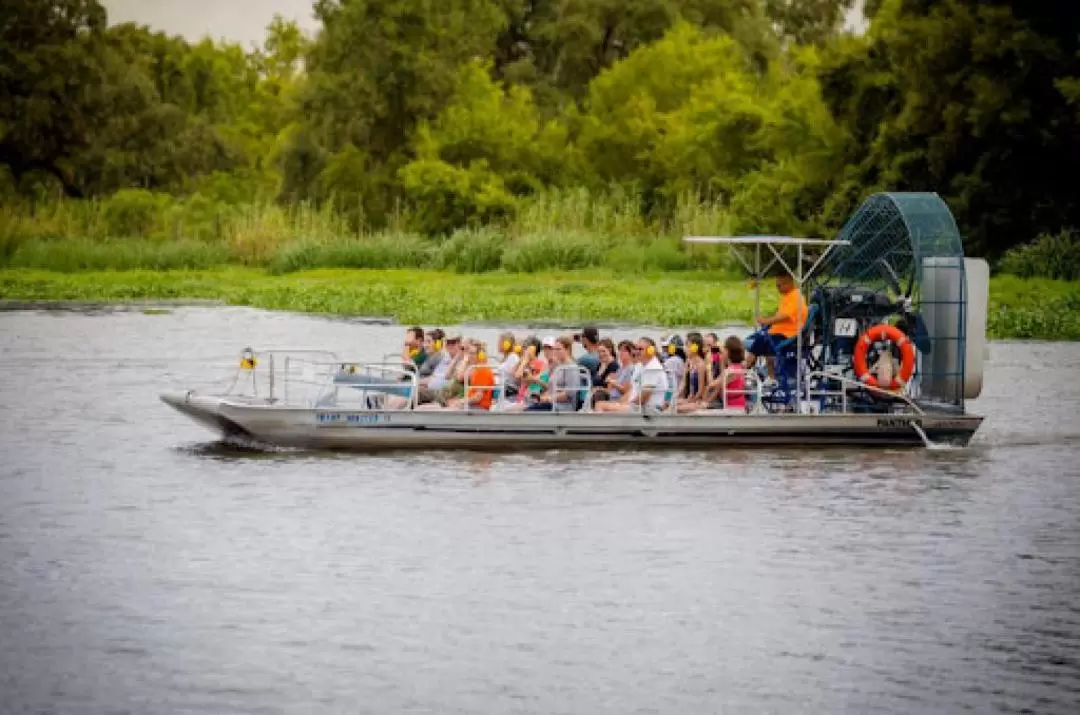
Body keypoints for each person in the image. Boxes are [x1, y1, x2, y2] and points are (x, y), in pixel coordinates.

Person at [745, 274, 808, 371]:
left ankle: (745, 370)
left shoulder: (795, 297)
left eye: (779, 286)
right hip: (778, 332)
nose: (777, 288)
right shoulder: (788, 296)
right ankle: (747, 369)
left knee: (763, 343)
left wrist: (766, 321)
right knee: (759, 341)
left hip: (787, 334)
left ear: (788, 284)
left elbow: (785, 316)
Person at [526, 336, 581, 412]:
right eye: (555, 349)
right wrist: (541, 397)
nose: (555, 352)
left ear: (567, 350)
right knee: (526, 405)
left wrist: (549, 398)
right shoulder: (558, 366)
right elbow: (550, 387)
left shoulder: (571, 367)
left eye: (558, 349)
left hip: (563, 406)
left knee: (529, 410)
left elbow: (569, 394)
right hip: (551, 402)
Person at [704, 335, 748, 411]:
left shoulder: (730, 371)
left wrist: (708, 365)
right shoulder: (740, 366)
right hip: (738, 404)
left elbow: (711, 384)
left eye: (724, 348)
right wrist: (722, 361)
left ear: (727, 351)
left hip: (733, 407)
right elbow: (722, 381)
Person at [676, 333, 708, 412]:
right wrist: (675, 395)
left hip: (698, 401)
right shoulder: (688, 361)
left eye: (687, 346)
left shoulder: (701, 365)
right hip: (690, 398)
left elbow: (700, 391)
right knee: (670, 404)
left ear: (694, 348)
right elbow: (683, 382)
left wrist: (690, 401)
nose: (684, 348)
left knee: (677, 408)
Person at [496, 331, 520, 399]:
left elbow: (515, 378)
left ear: (507, 344)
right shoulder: (505, 358)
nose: (497, 345)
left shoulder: (513, 357)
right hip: (500, 389)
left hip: (507, 391)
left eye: (499, 342)